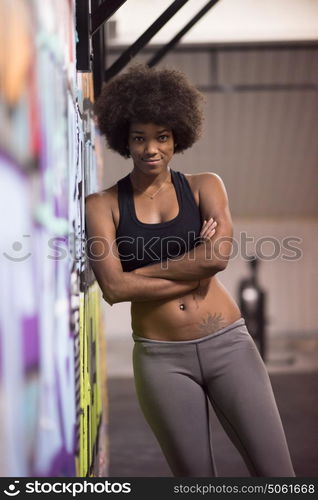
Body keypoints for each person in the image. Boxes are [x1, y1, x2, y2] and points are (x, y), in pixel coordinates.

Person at [85, 64, 295, 477]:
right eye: (139, 138)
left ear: (177, 136)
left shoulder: (205, 186)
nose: (151, 149)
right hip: (161, 359)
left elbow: (216, 258)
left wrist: (142, 273)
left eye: (161, 137)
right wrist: (193, 268)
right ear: (124, 141)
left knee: (279, 476)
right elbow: (112, 286)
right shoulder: (102, 205)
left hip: (230, 346)